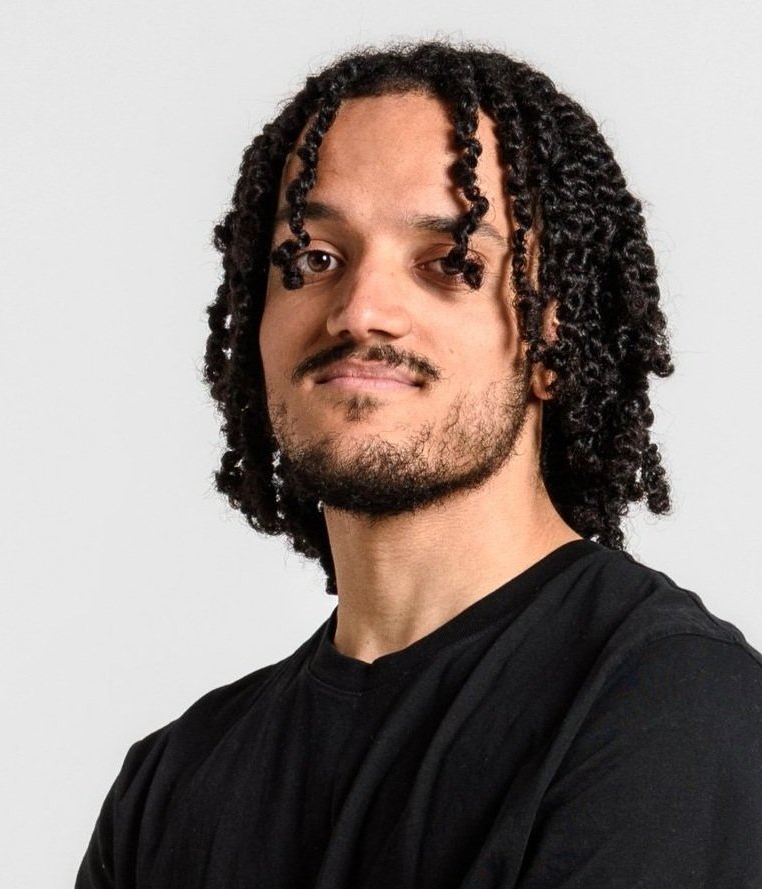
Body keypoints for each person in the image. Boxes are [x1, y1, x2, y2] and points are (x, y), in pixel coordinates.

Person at [76, 42, 762, 888]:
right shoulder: (172, 781)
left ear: (553, 343)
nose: (361, 309)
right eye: (312, 259)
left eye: (450, 263)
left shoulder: (670, 702)